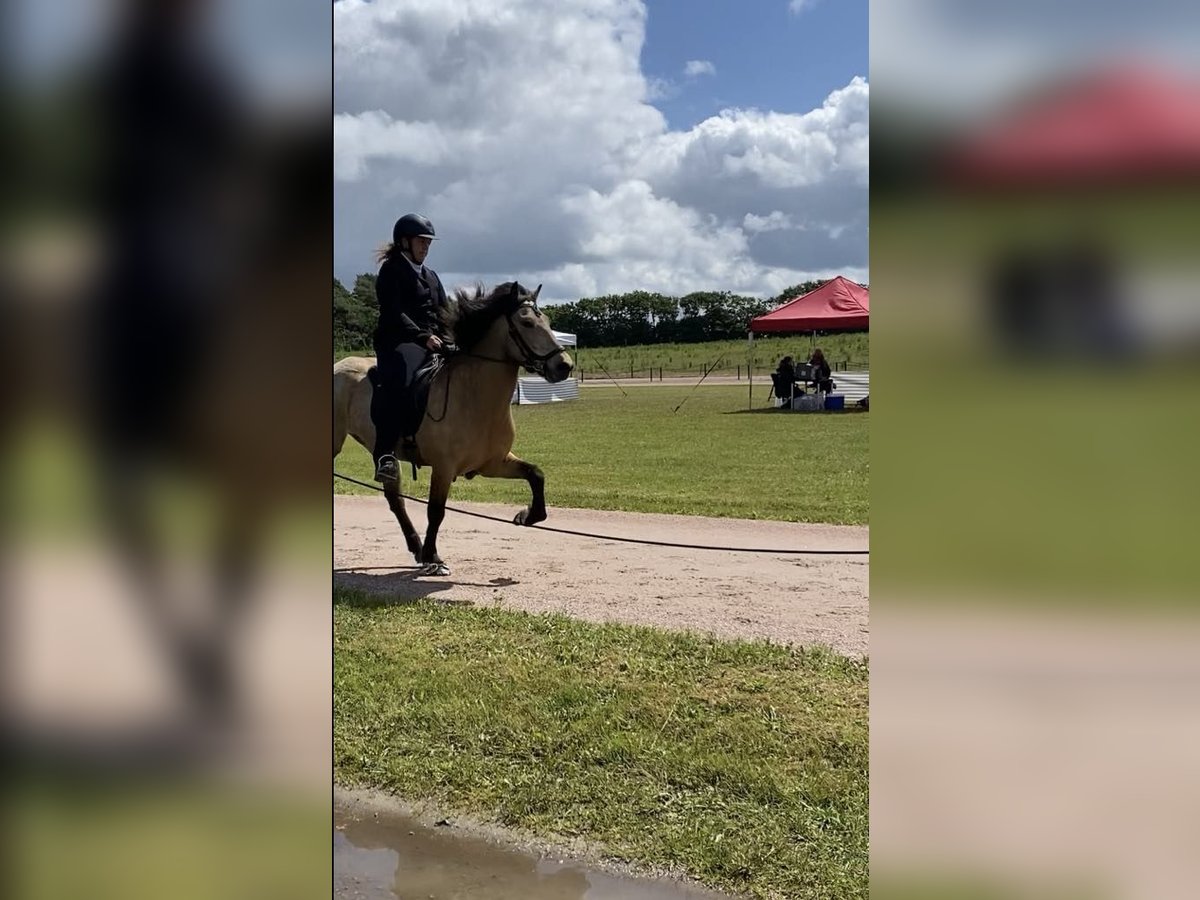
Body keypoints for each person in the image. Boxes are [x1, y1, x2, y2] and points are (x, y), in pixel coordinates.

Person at [370, 213, 452, 484]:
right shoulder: (392, 270)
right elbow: (394, 312)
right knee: (398, 384)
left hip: (432, 341)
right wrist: (423, 337)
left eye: (428, 243)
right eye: (421, 242)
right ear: (405, 242)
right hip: (397, 342)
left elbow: (444, 311)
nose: (425, 247)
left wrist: (451, 336)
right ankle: (385, 455)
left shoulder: (431, 275)